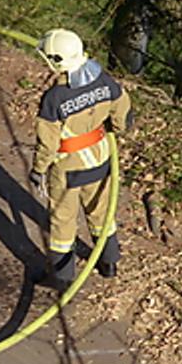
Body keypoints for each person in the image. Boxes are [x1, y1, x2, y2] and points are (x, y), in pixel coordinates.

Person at [30, 27, 128, 289]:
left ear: (57, 61)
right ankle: (109, 263)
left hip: (68, 168)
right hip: (101, 159)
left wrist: (38, 169)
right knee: (101, 212)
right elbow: (122, 108)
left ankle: (62, 277)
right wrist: (116, 127)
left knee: (63, 222)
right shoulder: (104, 80)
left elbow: (48, 142)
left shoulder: (55, 98)